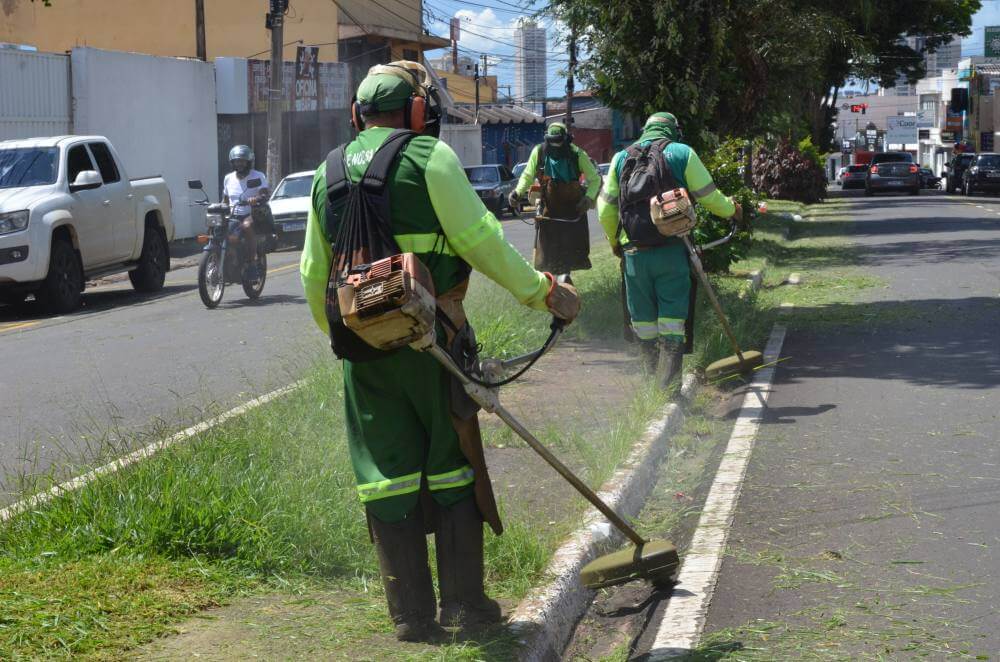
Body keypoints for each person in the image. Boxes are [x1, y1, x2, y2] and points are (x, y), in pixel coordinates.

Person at [299, 61, 580, 642]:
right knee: (452, 463)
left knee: (384, 475)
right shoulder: (431, 159)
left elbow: (311, 274)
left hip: (363, 353)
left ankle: (409, 618)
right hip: (435, 345)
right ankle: (465, 608)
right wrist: (542, 293)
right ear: (419, 113)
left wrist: (352, 336)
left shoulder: (325, 173)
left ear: (358, 115)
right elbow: (483, 242)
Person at [597, 112, 742, 388]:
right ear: (674, 131)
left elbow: (604, 210)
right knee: (673, 319)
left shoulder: (620, 158)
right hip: (673, 250)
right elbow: (709, 197)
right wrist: (732, 210)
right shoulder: (682, 153)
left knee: (642, 320)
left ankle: (650, 382)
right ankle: (670, 386)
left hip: (634, 254)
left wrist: (615, 243)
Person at [508, 122, 601, 279]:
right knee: (547, 257)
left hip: (574, 212)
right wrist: (517, 193)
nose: (556, 145)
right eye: (553, 141)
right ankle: (549, 286)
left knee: (570, 253)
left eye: (559, 141)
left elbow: (595, 179)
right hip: (548, 213)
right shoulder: (539, 152)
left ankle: (565, 279)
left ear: (566, 139)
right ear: (547, 140)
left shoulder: (577, 154)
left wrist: (588, 198)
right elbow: (527, 175)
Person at [222, 145, 269, 265]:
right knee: (217, 227)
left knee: (247, 226)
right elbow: (225, 200)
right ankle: (226, 257)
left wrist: (256, 198)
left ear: (248, 162)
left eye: (242, 161)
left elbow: (264, 194)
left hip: (253, 213)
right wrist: (219, 207)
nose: (239, 164)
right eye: (237, 161)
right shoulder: (228, 178)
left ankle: (252, 262)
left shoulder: (258, 176)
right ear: (233, 163)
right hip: (233, 215)